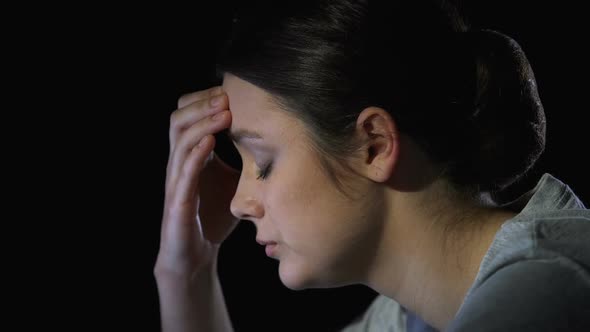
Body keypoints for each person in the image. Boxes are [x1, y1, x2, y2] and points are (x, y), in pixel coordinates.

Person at [154, 0, 590, 331]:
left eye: (264, 162)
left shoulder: (543, 293)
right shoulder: (406, 317)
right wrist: (187, 270)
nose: (238, 204)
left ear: (375, 145)